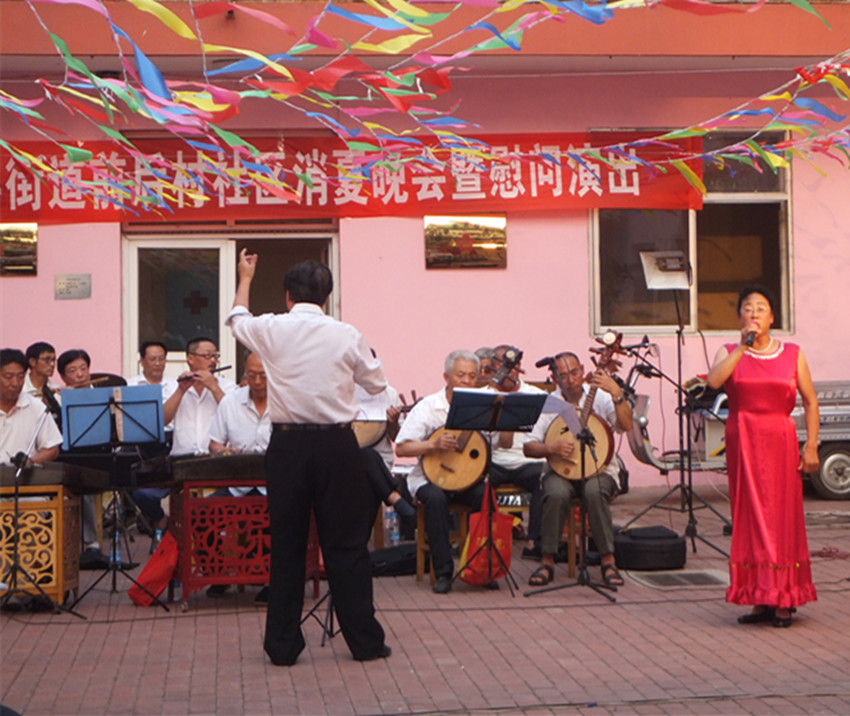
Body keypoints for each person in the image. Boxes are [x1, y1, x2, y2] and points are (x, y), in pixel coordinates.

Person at [227, 250, 391, 665]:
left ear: (287, 296)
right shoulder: (346, 333)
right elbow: (376, 383)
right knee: (346, 546)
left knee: (287, 546)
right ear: (326, 298)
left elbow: (236, 319)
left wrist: (246, 277)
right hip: (338, 446)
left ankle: (282, 647)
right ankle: (365, 642)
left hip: (288, 447)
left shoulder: (272, 328)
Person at [706, 284, 819, 628]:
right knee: (749, 518)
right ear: (739, 316)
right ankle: (758, 595)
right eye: (748, 308)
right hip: (744, 442)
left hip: (779, 441)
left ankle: (784, 598)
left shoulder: (793, 353)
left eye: (761, 308)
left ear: (772, 317)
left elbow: (810, 402)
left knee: (781, 518)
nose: (754, 313)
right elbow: (714, 382)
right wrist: (743, 347)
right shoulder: (729, 351)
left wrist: (811, 446)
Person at [395, 350, 508, 594]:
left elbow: (503, 444)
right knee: (436, 500)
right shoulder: (429, 407)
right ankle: (443, 571)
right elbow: (402, 448)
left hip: (467, 478)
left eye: (472, 376)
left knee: (485, 496)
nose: (467, 381)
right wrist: (432, 444)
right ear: (446, 377)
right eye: (460, 375)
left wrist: (505, 417)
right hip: (430, 478)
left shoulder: (482, 406)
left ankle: (481, 567)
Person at [523, 351, 632, 588]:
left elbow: (626, 425)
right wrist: (550, 447)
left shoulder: (601, 397)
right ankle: (547, 560)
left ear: (583, 370)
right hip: (560, 470)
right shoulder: (548, 404)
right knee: (555, 492)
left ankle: (608, 560)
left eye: (574, 373)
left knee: (594, 490)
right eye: (563, 375)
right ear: (554, 378)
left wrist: (617, 393)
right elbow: (528, 447)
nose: (570, 380)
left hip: (600, 469)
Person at [205, 351, 271, 601]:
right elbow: (214, 443)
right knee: (202, 515)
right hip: (237, 485)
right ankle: (218, 573)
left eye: (263, 376)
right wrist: (225, 451)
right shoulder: (230, 402)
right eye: (251, 375)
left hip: (274, 486)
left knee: (283, 517)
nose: (257, 382)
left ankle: (272, 579)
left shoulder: (286, 402)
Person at [485, 344, 546, 559]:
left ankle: (534, 542)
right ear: (493, 368)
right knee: (472, 482)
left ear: (519, 368)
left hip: (528, 461)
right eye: (502, 366)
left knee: (546, 481)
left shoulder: (536, 395)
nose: (508, 371)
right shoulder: (483, 396)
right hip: (493, 461)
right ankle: (485, 540)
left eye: (512, 366)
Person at [57, 348, 109, 569]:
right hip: (70, 456)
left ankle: (92, 544)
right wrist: (62, 401)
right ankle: (61, 543)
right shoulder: (58, 399)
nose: (79, 375)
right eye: (72, 371)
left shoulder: (105, 395)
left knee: (85, 478)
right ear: (63, 377)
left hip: (100, 455)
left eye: (83, 368)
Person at [127, 341, 179, 547]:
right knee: (133, 485)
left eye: (161, 359)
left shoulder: (176, 386)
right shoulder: (129, 386)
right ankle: (159, 519)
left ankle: (167, 526)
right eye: (152, 359)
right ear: (141, 360)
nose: (158, 363)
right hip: (139, 444)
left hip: (170, 443)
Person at [163, 337, 236, 456]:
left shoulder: (227, 386)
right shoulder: (173, 386)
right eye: (207, 356)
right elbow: (163, 420)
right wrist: (180, 391)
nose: (213, 360)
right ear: (190, 358)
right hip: (182, 457)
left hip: (216, 456)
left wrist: (214, 387)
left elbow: (235, 415)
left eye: (215, 356)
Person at [355, 381, 415, 523]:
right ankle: (393, 496)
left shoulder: (389, 394)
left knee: (369, 459)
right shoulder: (341, 390)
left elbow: (396, 438)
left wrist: (393, 423)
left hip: (380, 466)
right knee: (365, 455)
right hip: (346, 460)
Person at [0, 349, 62, 467]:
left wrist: (30, 461)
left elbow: (52, 449)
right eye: (8, 377)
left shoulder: (36, 407)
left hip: (23, 476)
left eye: (21, 377)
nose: (15, 383)